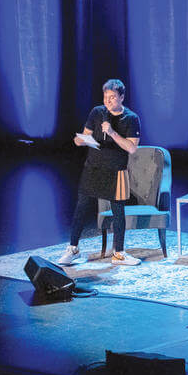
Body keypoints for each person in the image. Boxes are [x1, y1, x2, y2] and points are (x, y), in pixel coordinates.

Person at [58, 79, 141, 267]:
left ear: (122, 97)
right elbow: (85, 134)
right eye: (106, 97)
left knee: (118, 211)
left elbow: (132, 148)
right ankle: (73, 249)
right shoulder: (97, 112)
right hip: (93, 168)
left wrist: (112, 133)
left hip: (116, 170)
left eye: (112, 97)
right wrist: (80, 140)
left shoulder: (131, 118)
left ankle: (118, 253)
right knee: (81, 208)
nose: (108, 101)